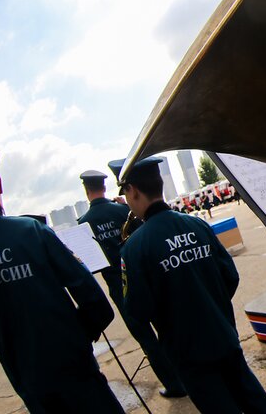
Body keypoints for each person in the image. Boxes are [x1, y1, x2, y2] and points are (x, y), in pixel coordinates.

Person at [0, 142, 123, 413]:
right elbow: (94, 301)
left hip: (31, 383)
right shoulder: (32, 231)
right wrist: (76, 339)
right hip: (75, 370)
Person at [114, 156, 266, 414]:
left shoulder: (134, 248)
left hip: (187, 352)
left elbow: (137, 311)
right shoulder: (197, 224)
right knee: (255, 400)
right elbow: (230, 276)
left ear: (132, 190)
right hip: (223, 333)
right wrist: (211, 305)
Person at [77, 169, 186, 399]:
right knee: (165, 325)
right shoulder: (123, 209)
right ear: (104, 187)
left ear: (86, 191)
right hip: (146, 275)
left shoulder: (83, 224)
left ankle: (173, 383)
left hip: (118, 285)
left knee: (146, 337)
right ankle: (186, 372)